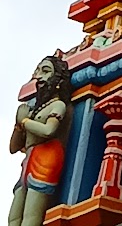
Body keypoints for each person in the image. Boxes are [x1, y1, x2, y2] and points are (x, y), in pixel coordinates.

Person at [8, 55, 71, 226]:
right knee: (14, 216)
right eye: (37, 71)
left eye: (45, 71)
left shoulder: (58, 105)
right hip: (28, 158)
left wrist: (25, 122)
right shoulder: (35, 110)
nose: (39, 77)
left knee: (31, 215)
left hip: (46, 156)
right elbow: (13, 148)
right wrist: (18, 126)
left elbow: (49, 130)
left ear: (57, 78)